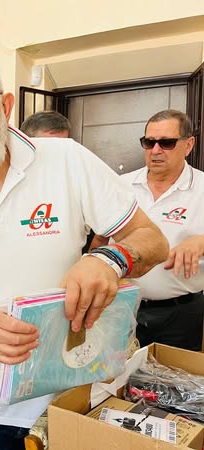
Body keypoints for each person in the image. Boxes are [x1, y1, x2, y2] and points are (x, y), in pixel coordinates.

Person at [0, 48, 169, 450]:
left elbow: (153, 240)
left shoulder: (66, 160)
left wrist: (109, 259)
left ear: (5, 105)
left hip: (73, 397)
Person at [90, 110, 204, 351]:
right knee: (116, 372)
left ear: (188, 145)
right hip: (119, 308)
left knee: (172, 374)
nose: (156, 150)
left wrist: (201, 241)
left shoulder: (201, 188)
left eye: (166, 143)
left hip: (179, 314)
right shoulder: (120, 185)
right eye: (149, 142)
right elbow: (100, 237)